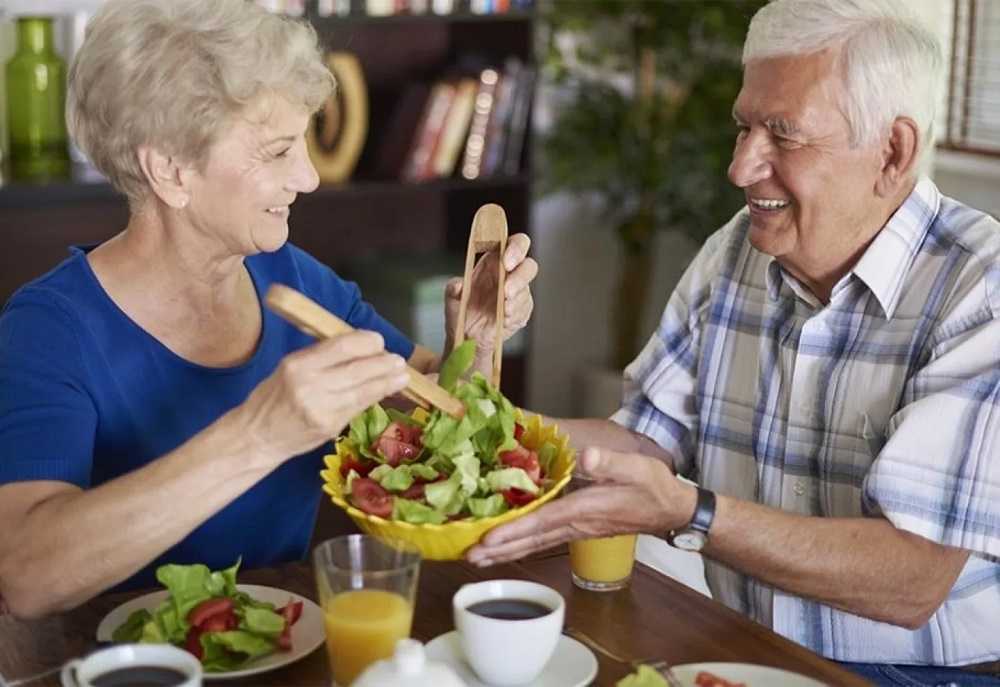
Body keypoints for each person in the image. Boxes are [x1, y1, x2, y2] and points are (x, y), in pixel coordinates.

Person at [469, 0, 1000, 684]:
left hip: (924, 673)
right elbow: (642, 442)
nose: (741, 166)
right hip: (747, 647)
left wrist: (692, 512)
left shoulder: (981, 288)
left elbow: (912, 581)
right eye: (745, 127)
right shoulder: (737, 250)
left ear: (892, 151)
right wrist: (474, 419)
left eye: (784, 134)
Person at [0, 0, 536, 619]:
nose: (309, 177)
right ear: (170, 170)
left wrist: (474, 343)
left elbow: (434, 420)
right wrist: (260, 435)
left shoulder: (291, 277)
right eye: (279, 151)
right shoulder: (48, 329)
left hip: (285, 641)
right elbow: (25, 577)